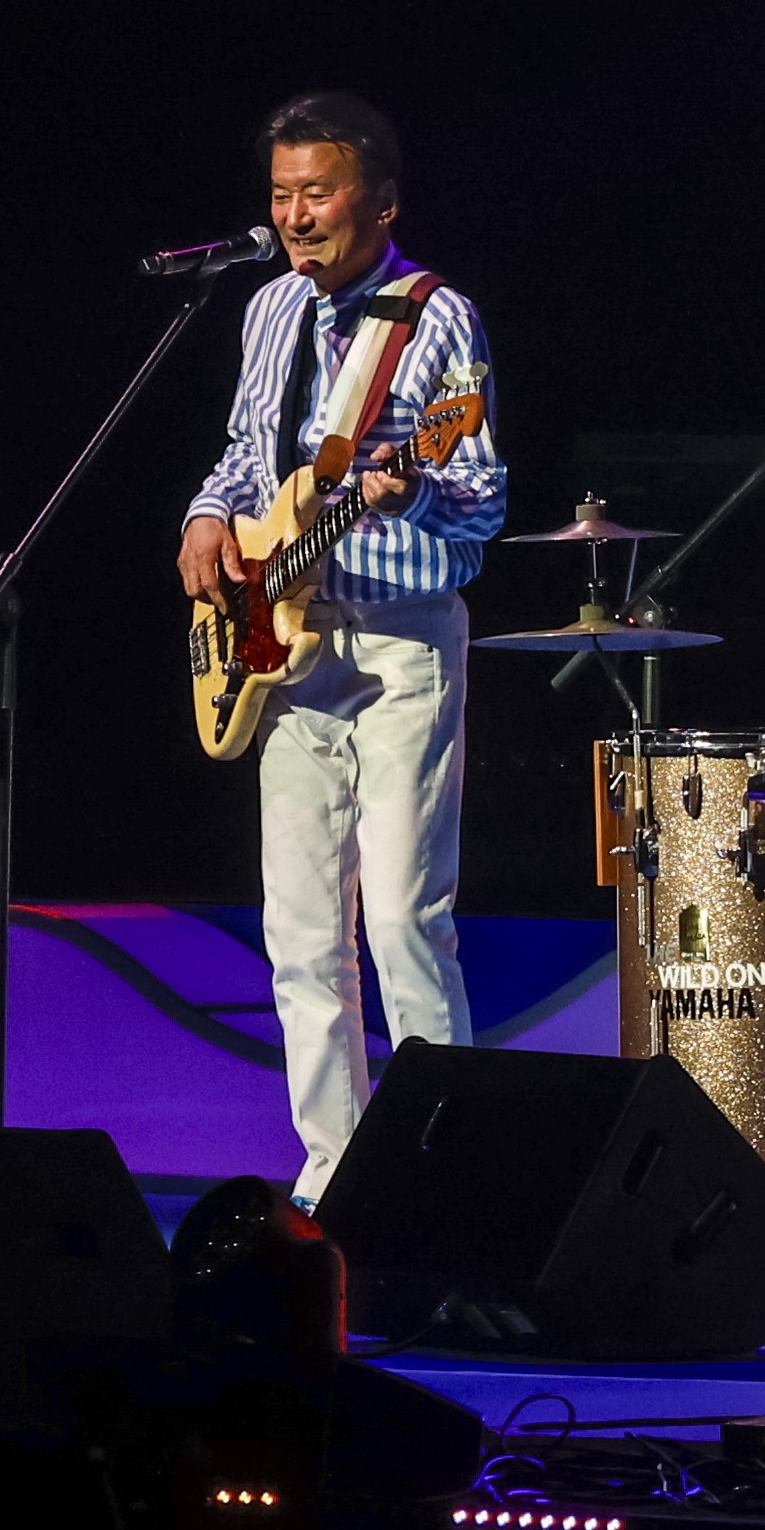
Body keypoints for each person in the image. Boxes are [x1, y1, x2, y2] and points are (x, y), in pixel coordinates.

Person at [172, 90, 506, 1200]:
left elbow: (479, 498)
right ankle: (332, 1171)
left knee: (409, 919)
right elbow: (243, 452)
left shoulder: (435, 316)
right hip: (283, 655)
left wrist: (400, 489)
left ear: (381, 201)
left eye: (318, 193)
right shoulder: (267, 309)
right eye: (280, 195)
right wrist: (208, 521)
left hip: (400, 644)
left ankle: (440, 1170)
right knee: (301, 932)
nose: (296, 214)